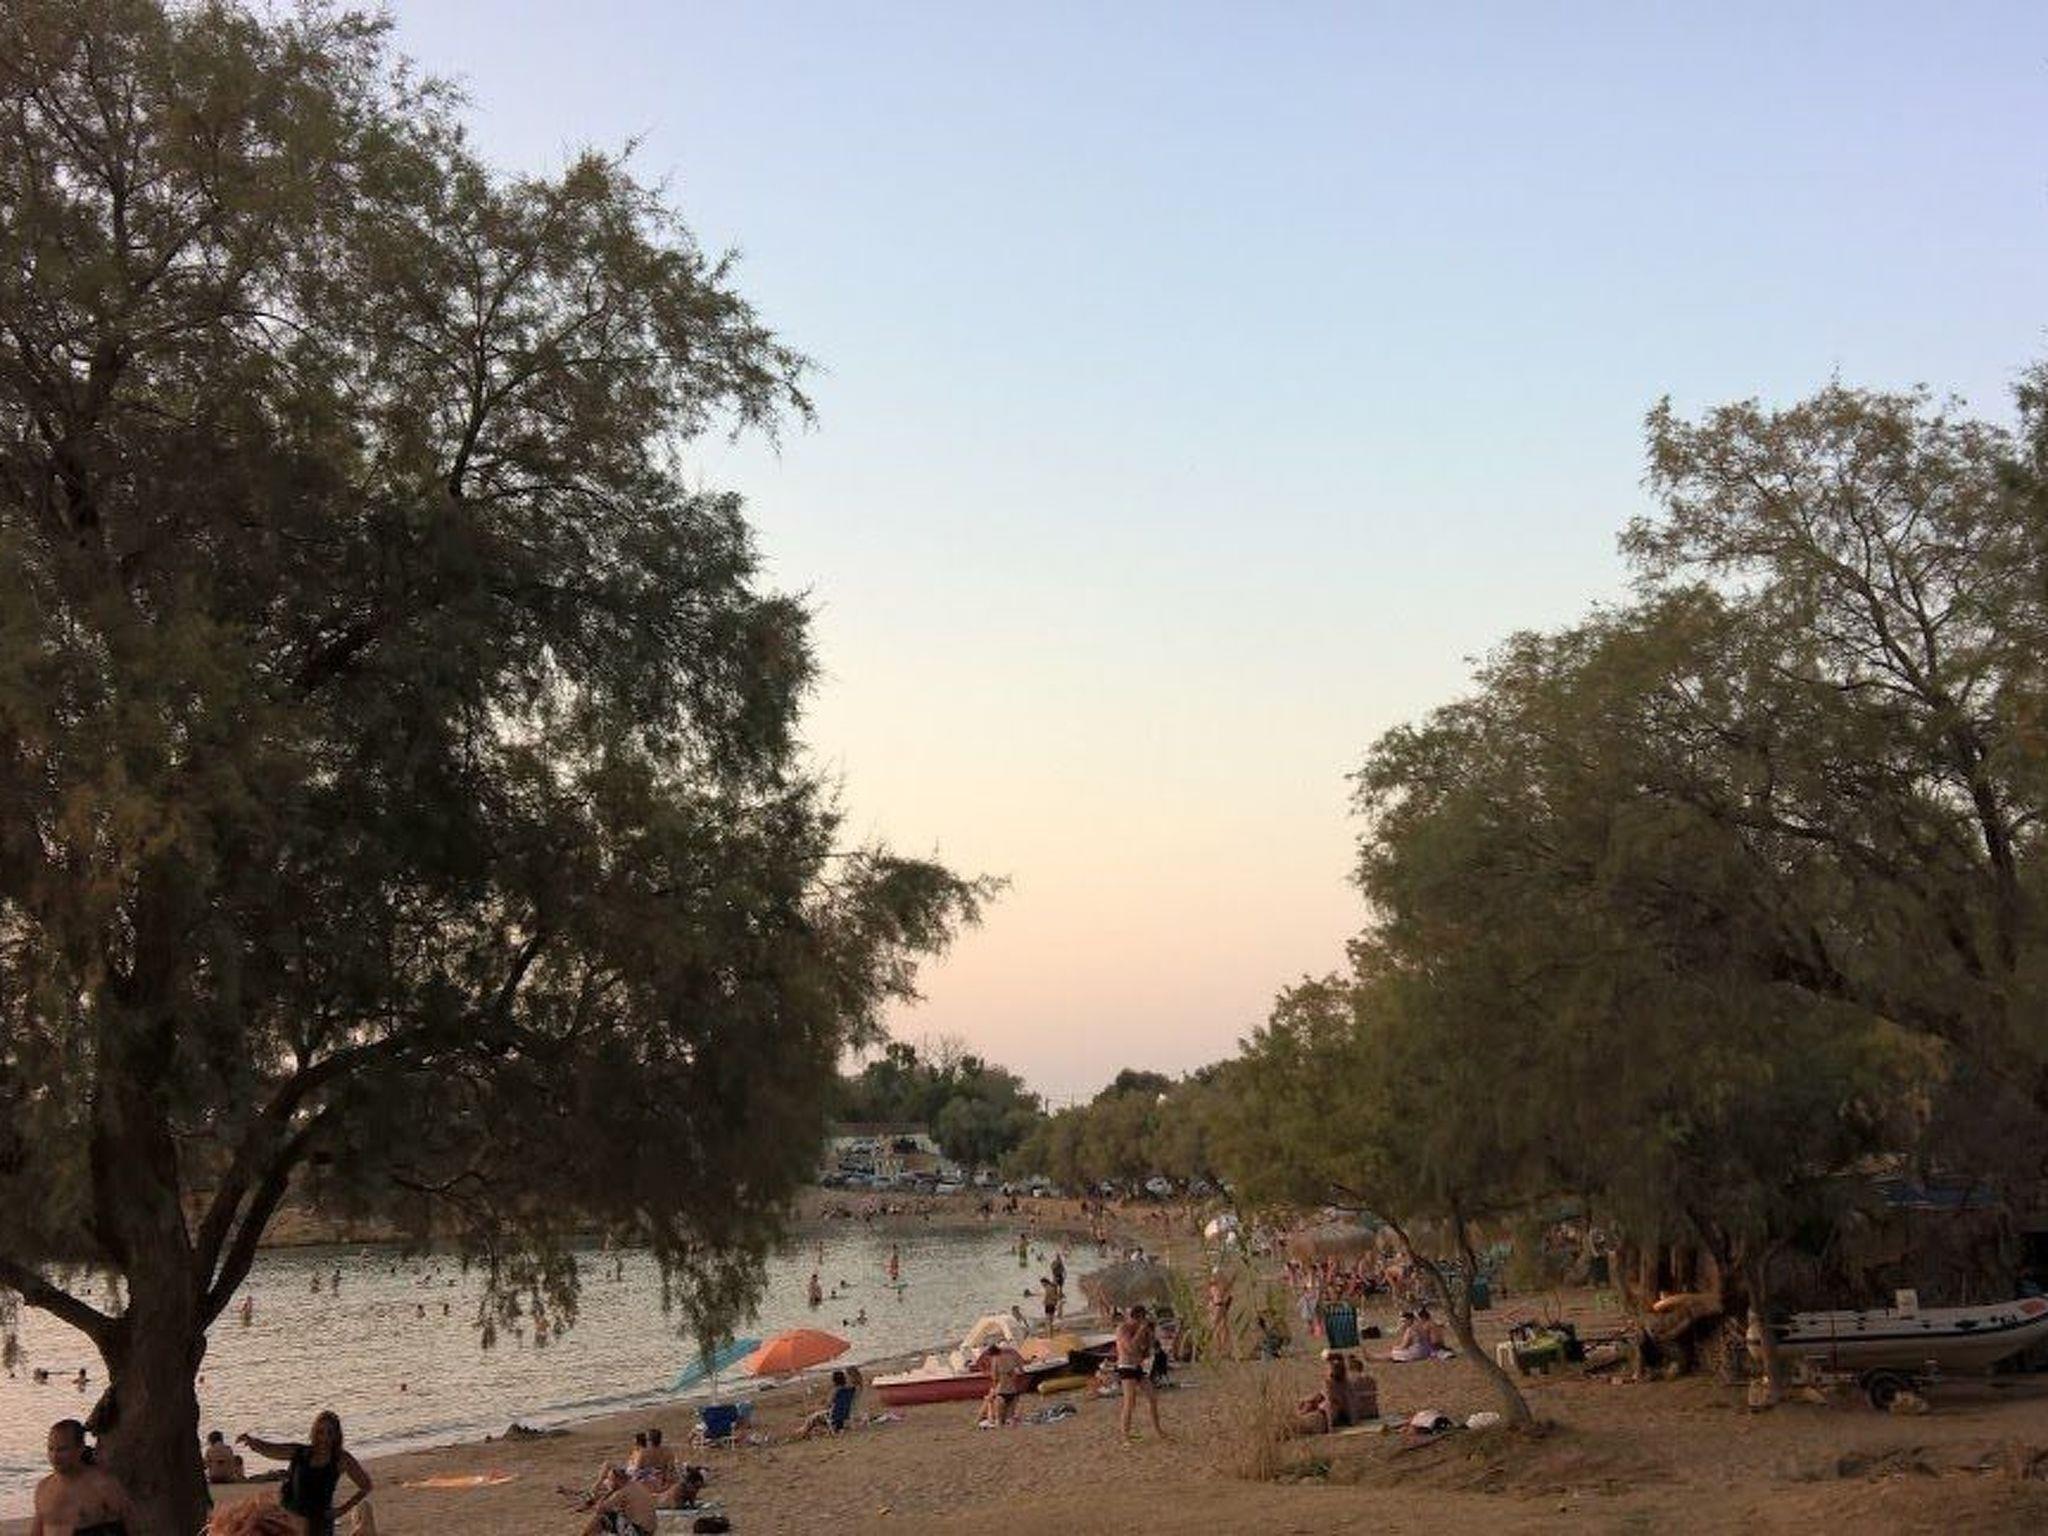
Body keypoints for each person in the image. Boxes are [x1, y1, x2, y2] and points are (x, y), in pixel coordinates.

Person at [238, 1411, 372, 1536]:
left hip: (319, 1523)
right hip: (290, 1519)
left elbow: (366, 1486)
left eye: (330, 1432)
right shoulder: (300, 1452)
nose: (324, 1438)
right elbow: (273, 1450)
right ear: (314, 1432)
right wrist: (253, 1443)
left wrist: (342, 1510)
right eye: (320, 1432)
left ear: (336, 1435)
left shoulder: (341, 1459)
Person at [31, 1419, 136, 1536]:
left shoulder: (103, 1485)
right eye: (51, 1449)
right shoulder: (44, 1488)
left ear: (80, 1449)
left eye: (62, 1449)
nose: (54, 1456)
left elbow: (132, 1526)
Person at [1113, 1306, 1168, 1441]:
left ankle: (1158, 1430)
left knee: (1152, 1397)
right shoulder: (1123, 1329)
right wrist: (1141, 1330)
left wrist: (1150, 1336)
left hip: (1137, 1367)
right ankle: (1125, 1436)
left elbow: (1146, 1352)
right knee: (1130, 1401)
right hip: (1126, 1367)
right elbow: (1130, 1348)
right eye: (1137, 1319)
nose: (1138, 1322)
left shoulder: (1142, 1329)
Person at [578, 1470, 657, 1536]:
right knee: (613, 1516)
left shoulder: (623, 1491)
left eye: (610, 1479)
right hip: (648, 1530)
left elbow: (600, 1509)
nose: (608, 1482)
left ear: (618, 1480)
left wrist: (609, 1492)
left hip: (638, 1531)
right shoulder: (635, 1485)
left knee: (601, 1518)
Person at [798, 1369, 859, 1439]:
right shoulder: (850, 1390)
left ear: (834, 1381)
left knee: (812, 1418)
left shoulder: (836, 1391)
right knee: (814, 1417)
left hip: (834, 1415)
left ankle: (802, 1433)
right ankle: (803, 1432)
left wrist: (816, 1407)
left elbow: (828, 1405)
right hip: (846, 1413)